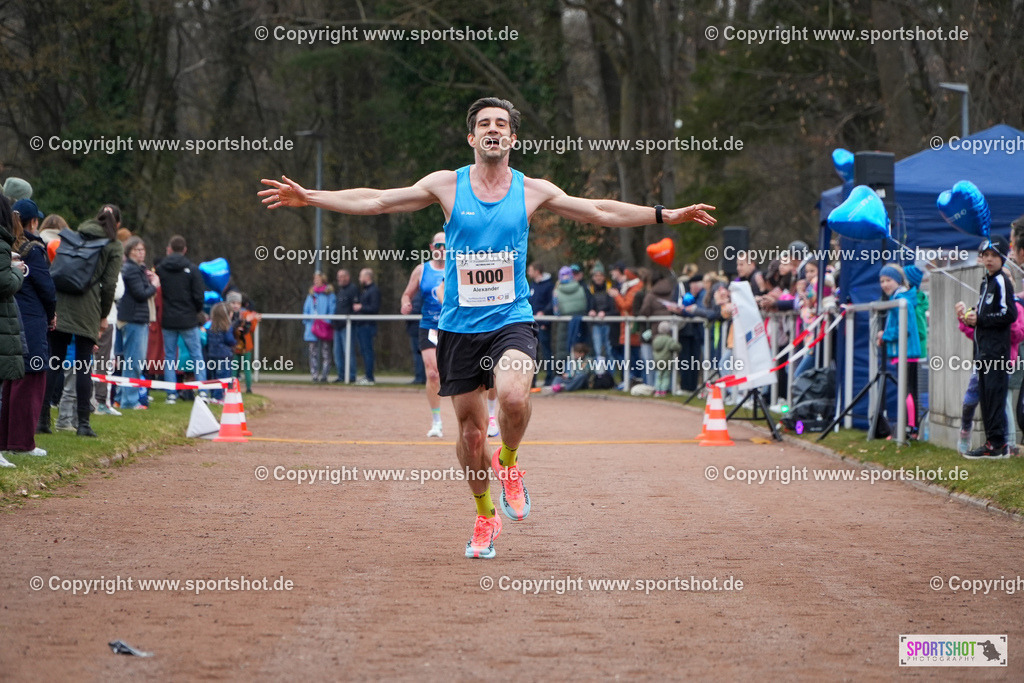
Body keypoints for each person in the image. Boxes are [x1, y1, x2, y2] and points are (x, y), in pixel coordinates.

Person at [260, 96, 715, 558]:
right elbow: (377, 200)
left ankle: (510, 462)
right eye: (484, 124)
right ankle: (484, 515)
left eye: (501, 123)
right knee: (471, 436)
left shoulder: (533, 190)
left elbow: (599, 210)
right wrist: (310, 197)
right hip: (458, 326)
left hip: (510, 318)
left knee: (514, 396)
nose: (493, 129)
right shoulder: (447, 185)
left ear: (512, 138)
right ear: (472, 137)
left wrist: (665, 215)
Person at [42, 207, 122, 437]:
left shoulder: (75, 234)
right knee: (84, 365)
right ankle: (84, 424)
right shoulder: (112, 244)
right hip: (87, 306)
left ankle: (42, 420)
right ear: (116, 224)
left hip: (61, 300)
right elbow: (108, 285)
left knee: (54, 361)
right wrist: (103, 315)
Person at [960, 237, 1017, 459]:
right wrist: (971, 316)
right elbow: (986, 312)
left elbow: (1009, 314)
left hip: (996, 352)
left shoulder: (1002, 281)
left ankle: (999, 444)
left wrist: (980, 319)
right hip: (983, 350)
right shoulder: (986, 282)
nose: (990, 259)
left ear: (1002, 258)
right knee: (985, 396)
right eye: (986, 255)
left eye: (994, 255)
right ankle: (991, 443)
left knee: (995, 397)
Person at [1, 198, 45, 463]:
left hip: (15, 319)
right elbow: (45, 287)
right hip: (27, 320)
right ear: (32, 221)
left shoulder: (11, 245)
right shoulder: (33, 249)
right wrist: (18, 273)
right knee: (30, 380)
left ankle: (8, 440)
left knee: (11, 383)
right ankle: (21, 441)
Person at [401, 232, 446, 436]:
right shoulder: (422, 270)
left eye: (446, 245)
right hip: (429, 326)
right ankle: (436, 421)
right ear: (431, 247)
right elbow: (407, 293)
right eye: (438, 245)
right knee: (432, 373)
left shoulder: (457, 269)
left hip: (453, 327)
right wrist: (405, 302)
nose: (442, 249)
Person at [156, 235, 206, 403]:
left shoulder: (161, 269)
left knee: (169, 356)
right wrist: (195, 312)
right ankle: (203, 392)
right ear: (184, 250)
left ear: (170, 249)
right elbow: (199, 296)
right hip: (188, 320)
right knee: (196, 355)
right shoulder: (192, 269)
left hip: (168, 319)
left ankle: (171, 393)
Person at [116, 236, 159, 410]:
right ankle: (129, 401)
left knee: (130, 361)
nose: (141, 253)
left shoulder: (137, 269)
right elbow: (140, 294)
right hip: (134, 319)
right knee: (134, 361)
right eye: (137, 250)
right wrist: (155, 284)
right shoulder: (131, 270)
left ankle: (121, 397)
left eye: (143, 250)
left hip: (137, 318)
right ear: (129, 252)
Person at [93, 205, 126, 416]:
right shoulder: (112, 247)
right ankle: (100, 402)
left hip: (85, 312)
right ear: (119, 224)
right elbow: (118, 289)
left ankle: (96, 401)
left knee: (94, 360)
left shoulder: (86, 242)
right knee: (103, 360)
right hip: (105, 315)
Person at [303, 271, 335, 383]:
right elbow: (306, 310)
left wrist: (327, 321)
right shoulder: (311, 295)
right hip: (312, 327)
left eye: (318, 279)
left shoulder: (329, 295)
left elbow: (332, 310)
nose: (315, 281)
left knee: (326, 352)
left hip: (324, 327)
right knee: (313, 352)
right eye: (314, 279)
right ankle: (314, 375)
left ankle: (325, 375)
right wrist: (307, 321)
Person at [350, 268, 380, 385]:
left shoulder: (374, 291)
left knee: (368, 352)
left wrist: (361, 307)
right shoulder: (364, 291)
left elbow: (374, 308)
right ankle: (367, 375)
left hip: (368, 326)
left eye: (361, 276)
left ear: (367, 277)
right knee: (363, 351)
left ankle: (369, 377)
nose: (359, 279)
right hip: (361, 325)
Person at [527, 262, 555, 386]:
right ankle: (532, 380)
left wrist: (544, 316)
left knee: (546, 351)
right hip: (531, 324)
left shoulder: (549, 285)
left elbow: (552, 303)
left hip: (543, 324)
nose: (528, 272)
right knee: (532, 353)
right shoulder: (532, 285)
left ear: (537, 271)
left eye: (530, 270)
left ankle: (549, 379)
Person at [587, 262, 616, 376]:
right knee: (598, 350)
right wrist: (591, 311)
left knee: (609, 350)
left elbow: (613, 307)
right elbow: (589, 305)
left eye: (600, 275)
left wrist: (606, 313)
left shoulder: (610, 288)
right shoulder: (590, 289)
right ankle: (599, 375)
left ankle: (611, 376)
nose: (598, 277)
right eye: (596, 275)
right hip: (596, 324)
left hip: (608, 322)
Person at [228, 292, 259, 393]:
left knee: (244, 368)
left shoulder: (245, 314)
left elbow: (251, 329)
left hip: (244, 346)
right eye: (233, 303)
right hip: (236, 346)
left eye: (238, 303)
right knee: (235, 368)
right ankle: (232, 387)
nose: (236, 305)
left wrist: (250, 322)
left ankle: (248, 388)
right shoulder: (231, 315)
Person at [332, 269, 359, 382]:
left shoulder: (353, 289)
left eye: (342, 276)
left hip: (347, 327)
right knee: (337, 352)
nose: (340, 279)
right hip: (337, 326)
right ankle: (341, 375)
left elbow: (356, 308)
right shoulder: (340, 291)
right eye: (338, 276)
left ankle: (351, 376)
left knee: (348, 352)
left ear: (347, 277)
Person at [205, 302, 235, 402]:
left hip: (212, 355)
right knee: (223, 377)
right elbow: (229, 340)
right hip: (224, 356)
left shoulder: (210, 328)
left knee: (214, 376)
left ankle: (213, 394)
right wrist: (235, 342)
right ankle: (218, 397)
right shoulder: (227, 328)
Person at [652, 321, 681, 397]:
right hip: (666, 361)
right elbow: (675, 347)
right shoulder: (669, 339)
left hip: (657, 361)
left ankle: (657, 390)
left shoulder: (656, 339)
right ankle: (663, 391)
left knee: (658, 375)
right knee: (665, 376)